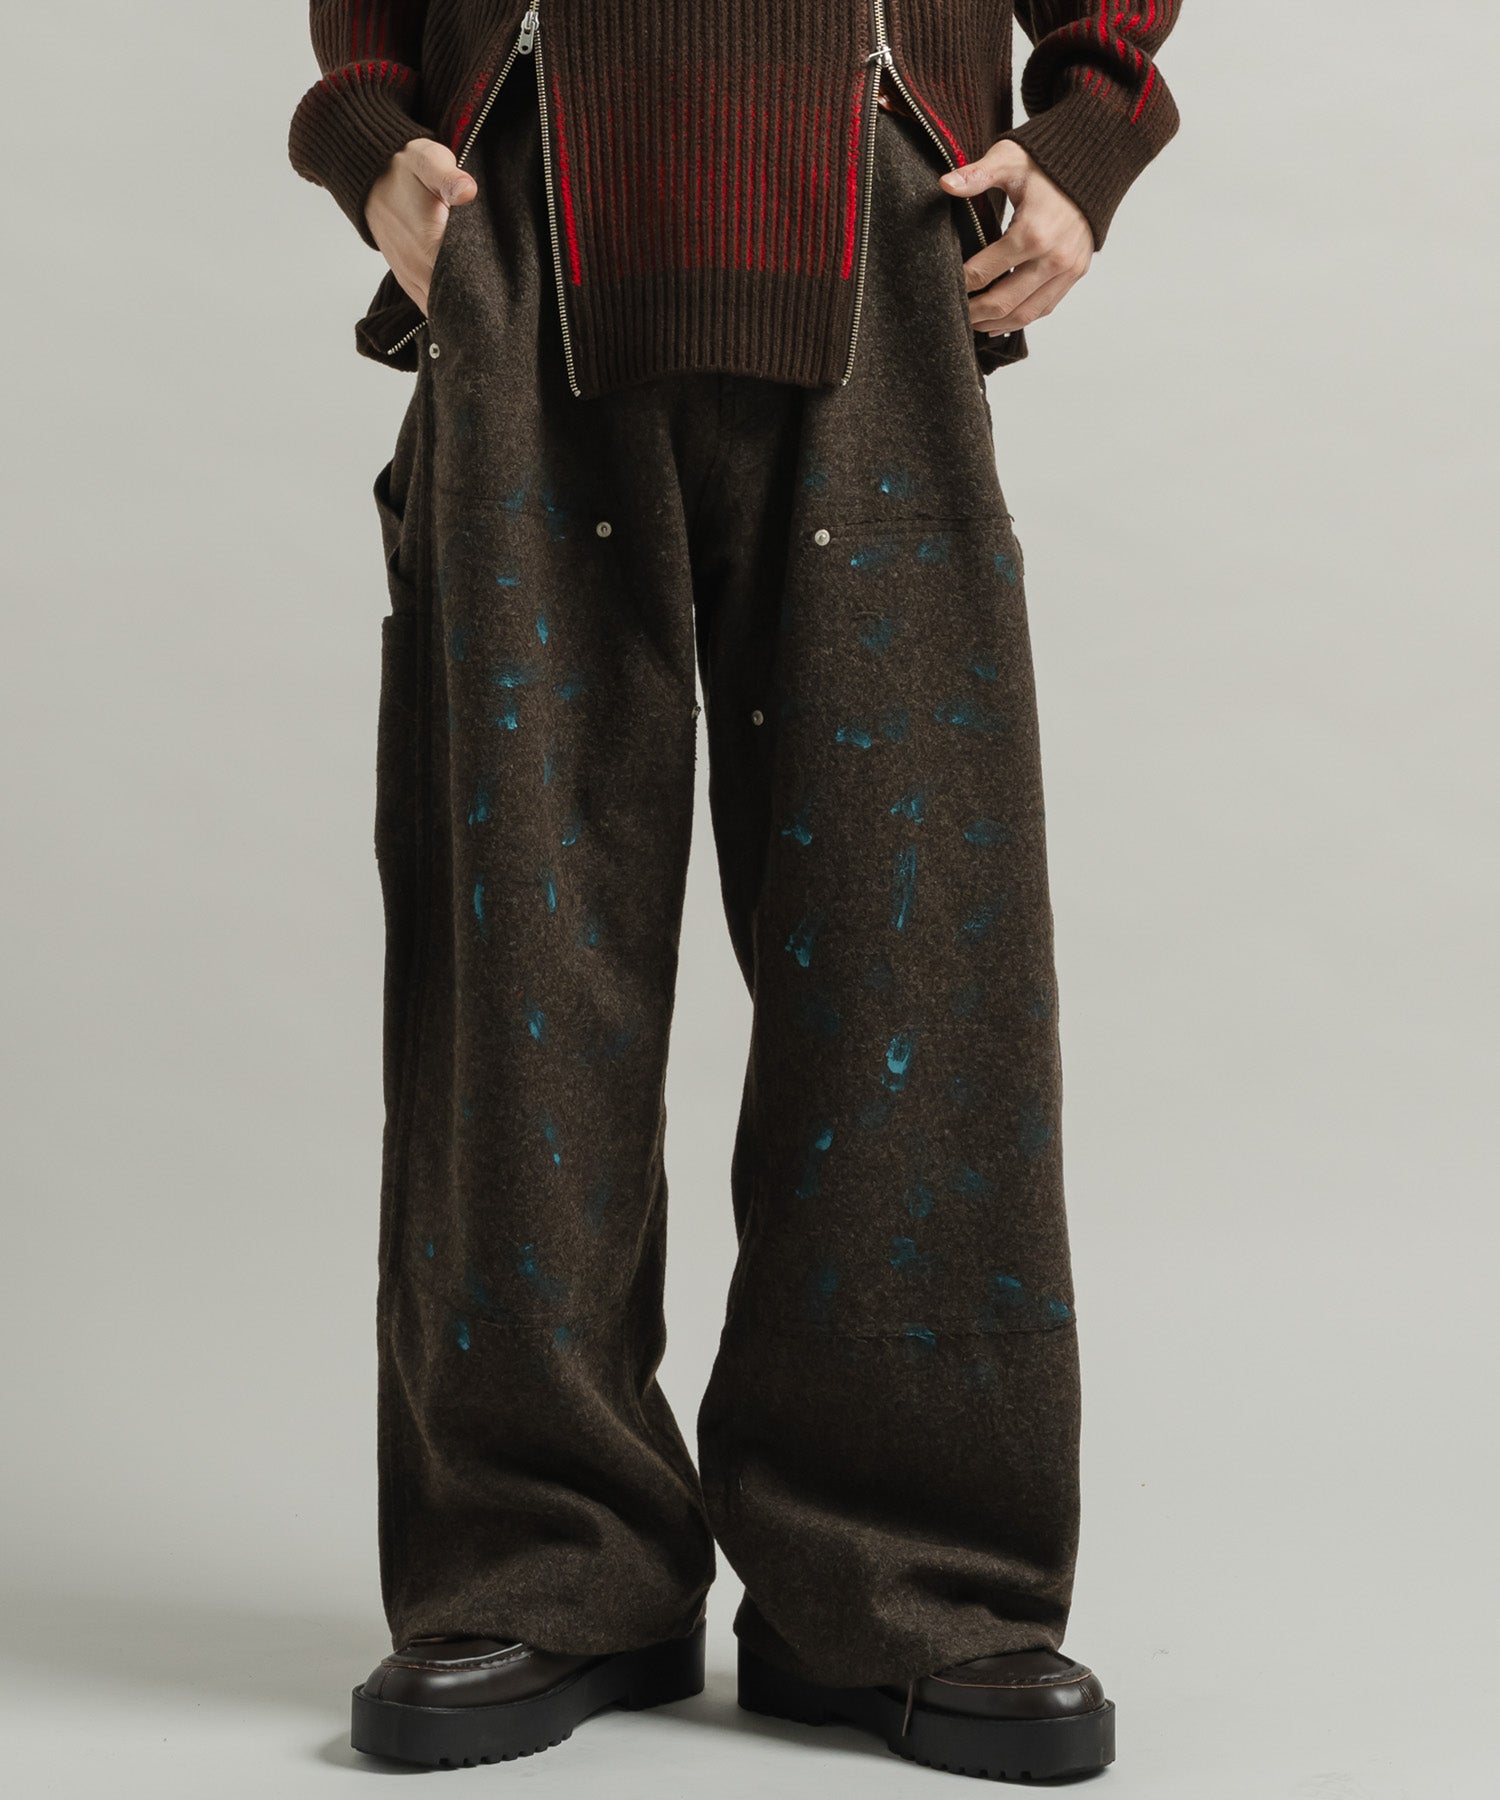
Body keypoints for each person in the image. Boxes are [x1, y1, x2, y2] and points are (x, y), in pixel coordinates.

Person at [290, 0, 1180, 1780]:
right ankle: (544, 1562)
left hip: (882, 192)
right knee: (517, 933)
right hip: (519, 193)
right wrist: (366, 123)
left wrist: (1093, 125)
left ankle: (906, 1580)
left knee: (913, 932)